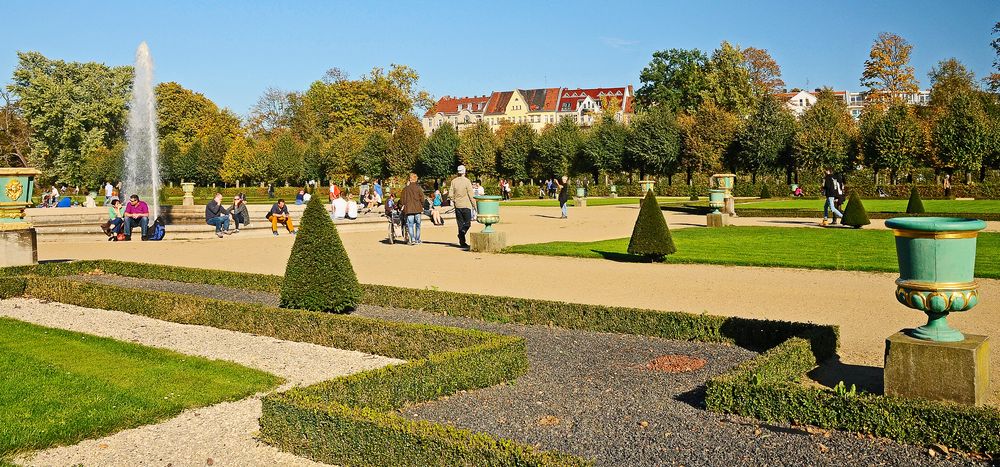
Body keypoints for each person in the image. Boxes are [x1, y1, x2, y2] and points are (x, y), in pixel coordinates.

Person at [448, 165, 476, 248]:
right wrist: (475, 205)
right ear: (464, 171)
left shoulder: (454, 181)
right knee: (467, 223)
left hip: (458, 205)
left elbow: (450, 194)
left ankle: (462, 242)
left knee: (460, 224)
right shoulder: (467, 181)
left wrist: (454, 200)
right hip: (466, 205)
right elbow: (471, 195)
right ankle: (462, 234)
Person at [401, 173, 423, 245]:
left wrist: (402, 205)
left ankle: (412, 239)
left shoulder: (405, 189)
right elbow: (422, 198)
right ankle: (417, 239)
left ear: (410, 179)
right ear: (416, 179)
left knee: (410, 225)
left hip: (409, 209)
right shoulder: (418, 188)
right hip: (417, 208)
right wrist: (421, 205)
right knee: (418, 225)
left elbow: (402, 200)